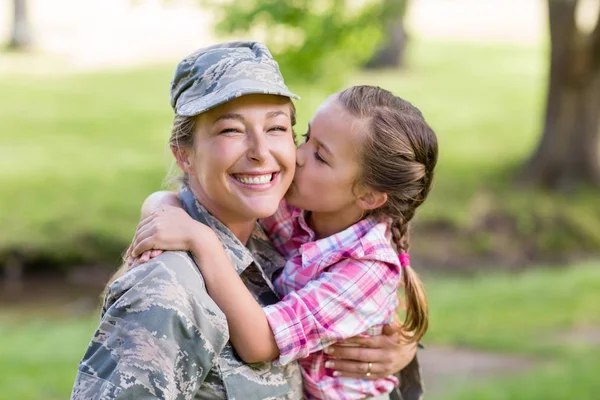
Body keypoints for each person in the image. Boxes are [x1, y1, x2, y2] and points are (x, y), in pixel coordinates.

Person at [70, 42, 422, 400]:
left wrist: (399, 346)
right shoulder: (165, 295)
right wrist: (170, 214)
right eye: (231, 130)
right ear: (183, 155)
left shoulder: (283, 229)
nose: (261, 152)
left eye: (277, 128)